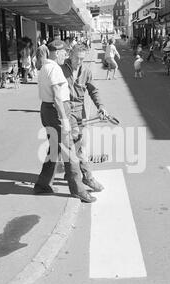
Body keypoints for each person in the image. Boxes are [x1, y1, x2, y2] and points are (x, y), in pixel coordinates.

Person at [34, 39, 97, 204]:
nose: (65, 55)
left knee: (54, 150)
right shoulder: (54, 68)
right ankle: (78, 190)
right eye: (64, 52)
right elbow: (57, 97)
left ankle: (42, 185)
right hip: (57, 112)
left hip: (46, 110)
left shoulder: (44, 67)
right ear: (56, 52)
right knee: (70, 152)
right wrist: (65, 119)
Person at [61, 44, 108, 193]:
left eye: (82, 59)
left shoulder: (86, 71)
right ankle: (87, 177)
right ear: (70, 54)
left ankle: (70, 172)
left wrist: (100, 106)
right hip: (66, 110)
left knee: (75, 145)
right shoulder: (61, 69)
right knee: (78, 147)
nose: (79, 62)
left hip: (80, 112)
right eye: (77, 58)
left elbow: (93, 91)